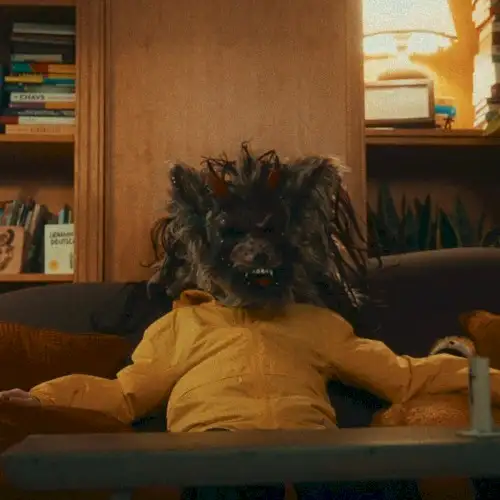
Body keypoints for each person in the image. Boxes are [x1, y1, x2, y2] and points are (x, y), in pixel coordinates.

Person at [2, 146, 499, 499]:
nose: (257, 250)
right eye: (238, 236)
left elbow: (401, 376)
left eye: (270, 234)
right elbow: (124, 393)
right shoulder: (182, 326)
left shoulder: (316, 324)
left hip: (314, 453)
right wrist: (43, 398)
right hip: (210, 453)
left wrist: (488, 380)